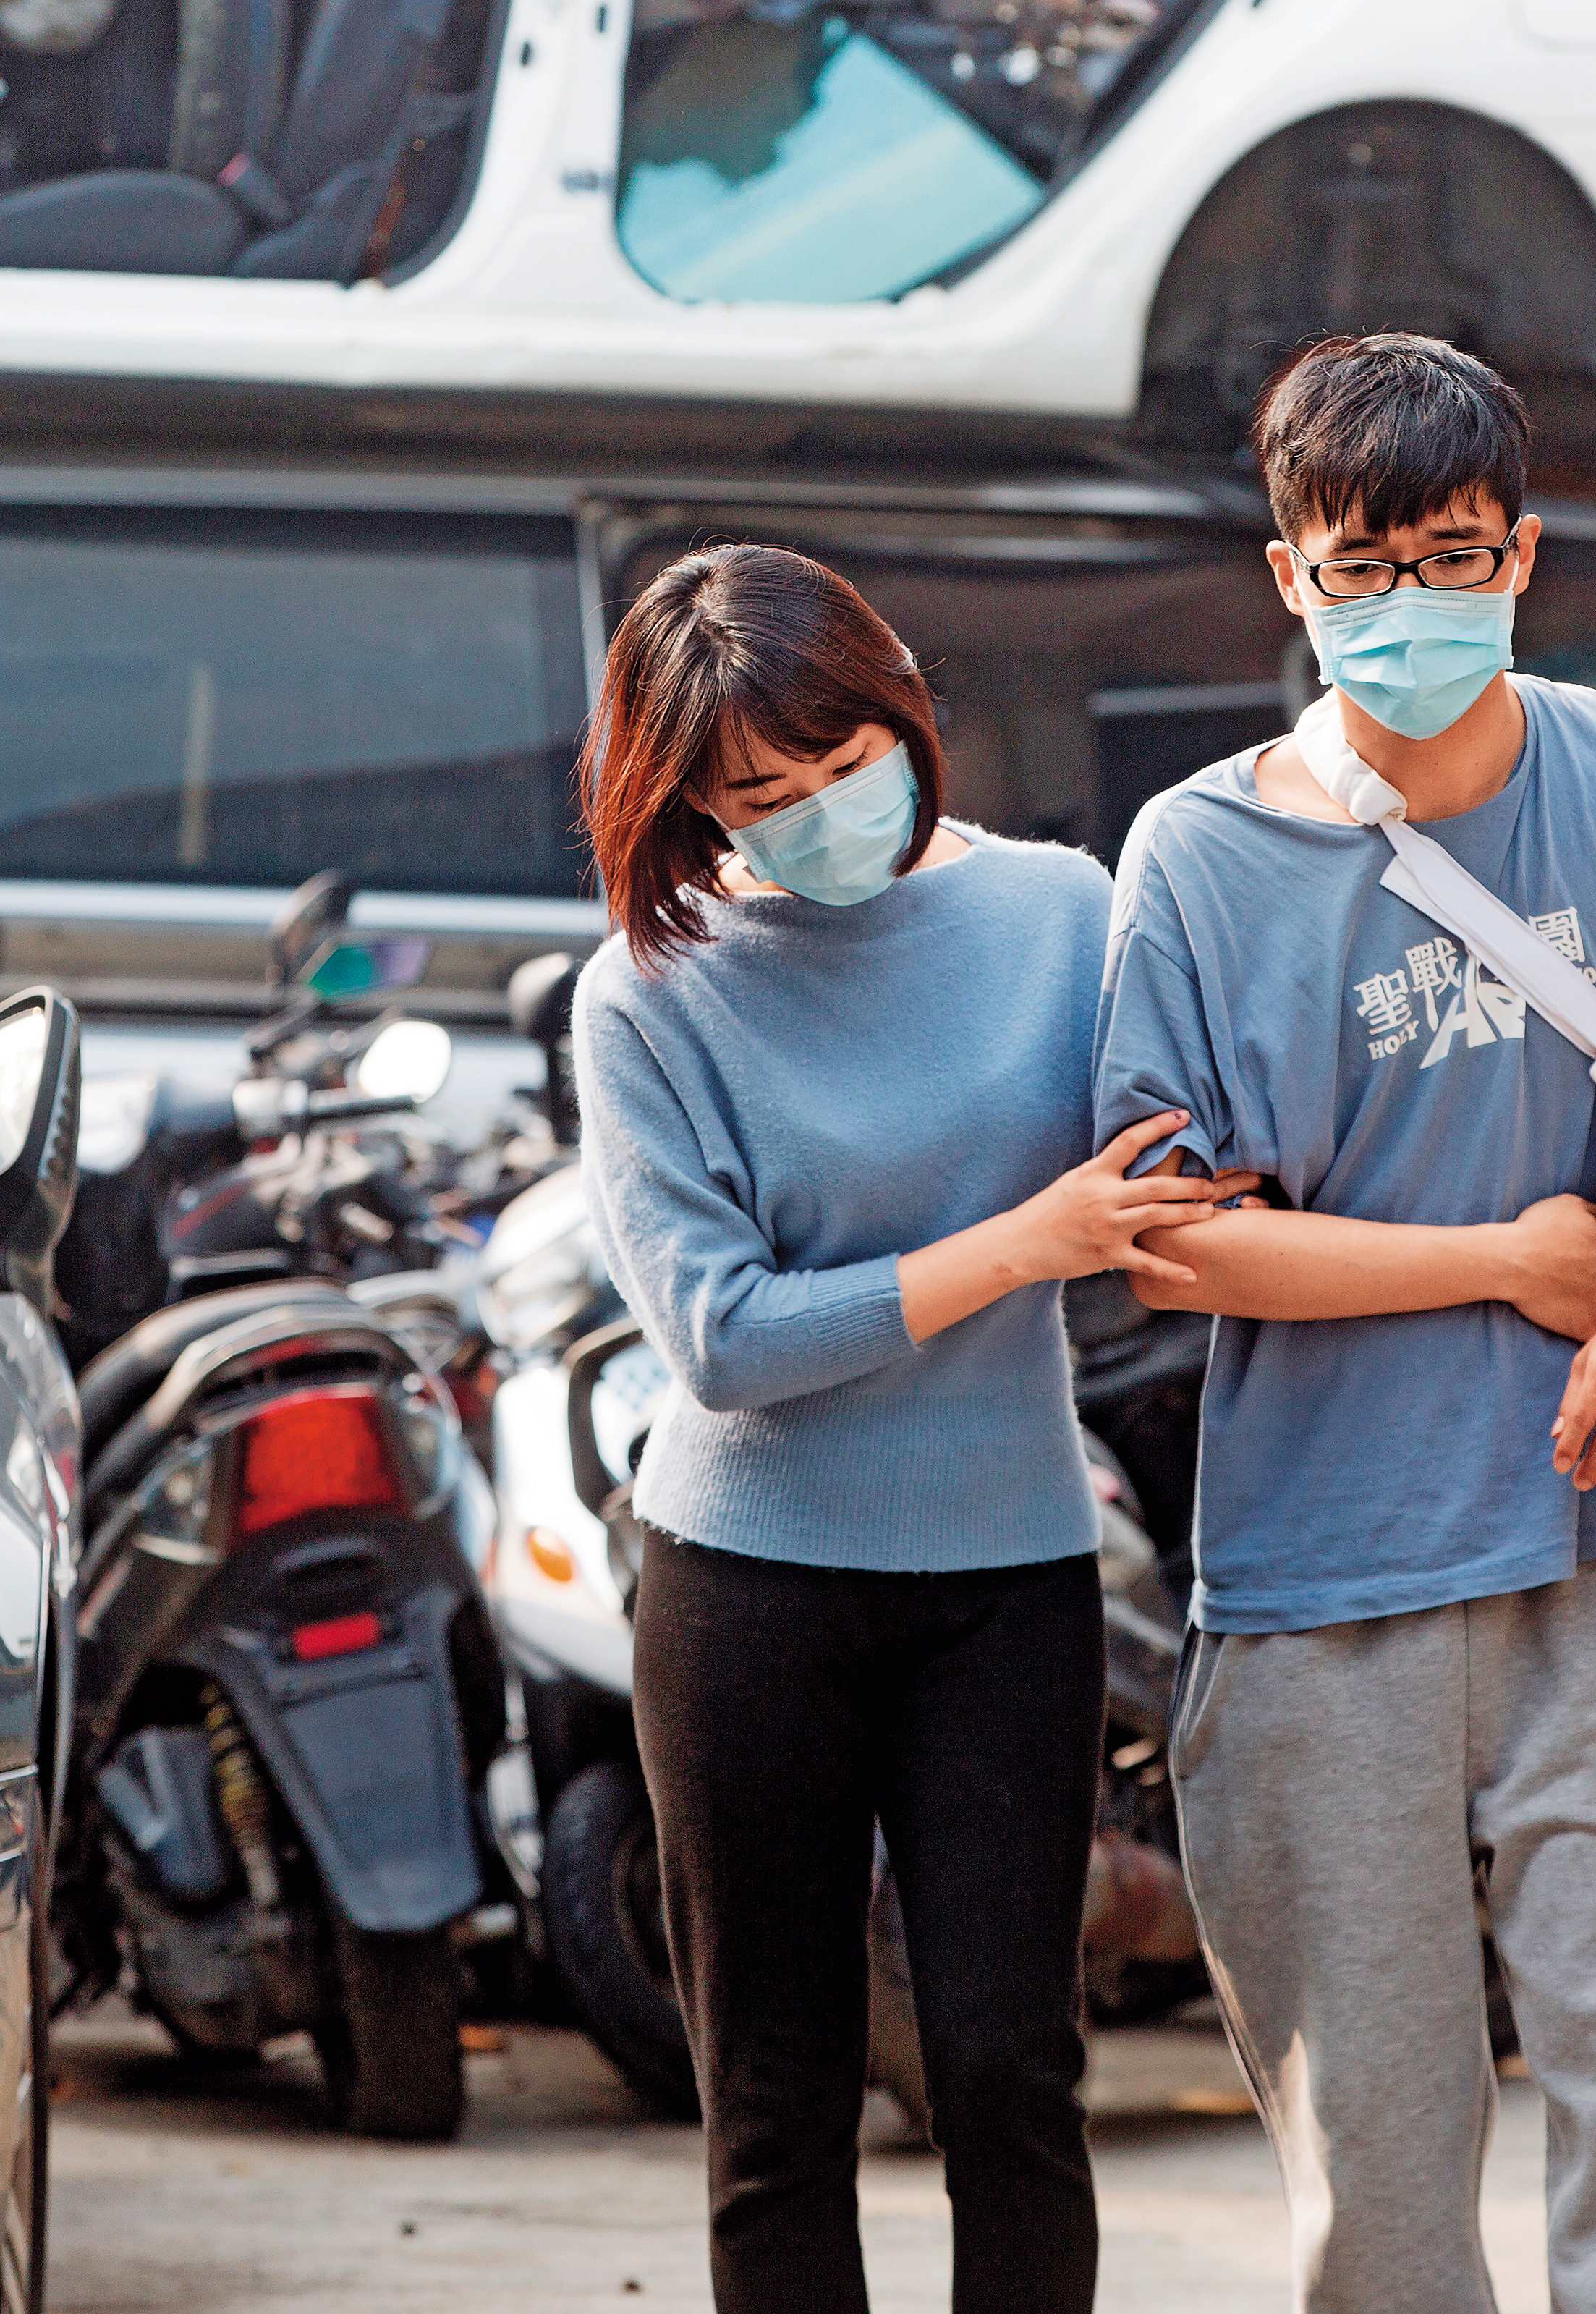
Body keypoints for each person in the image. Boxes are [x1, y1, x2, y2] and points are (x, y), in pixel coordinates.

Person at [1092, 334, 1596, 2314]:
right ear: (1289, 575)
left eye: (1455, 554)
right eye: (1362, 565)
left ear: (1525, 553)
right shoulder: (1201, 859)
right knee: (1380, 2175)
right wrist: (1506, 1261)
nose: (1411, 603)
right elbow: (1174, 1248)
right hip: (1330, 1579)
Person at [569, 542, 1248, 2314]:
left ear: (903, 714)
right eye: (757, 798)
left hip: (1007, 1573)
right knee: (775, 2110)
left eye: (841, 765)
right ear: (679, 804)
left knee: (1013, 2080)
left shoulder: (1065, 915)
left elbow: (1191, 1157)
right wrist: (1023, 1242)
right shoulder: (649, 996)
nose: (811, 816)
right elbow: (722, 1341)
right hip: (747, 1585)